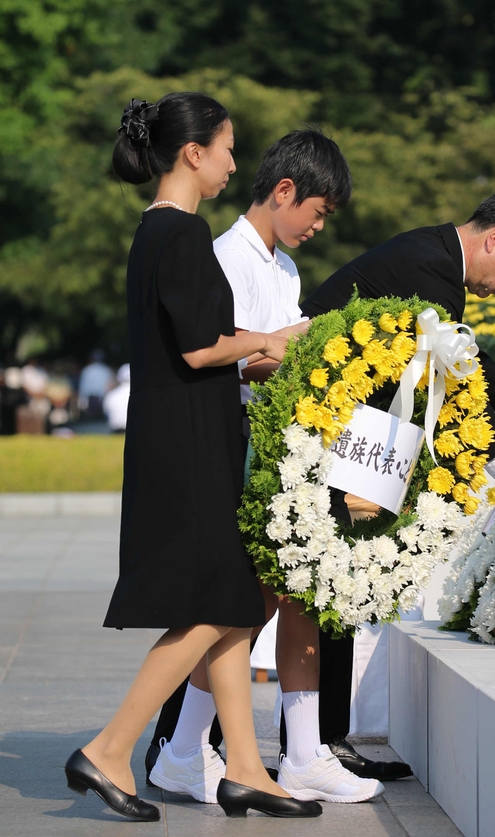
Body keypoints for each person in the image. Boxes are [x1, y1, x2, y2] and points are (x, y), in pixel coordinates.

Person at [63, 92, 322, 821]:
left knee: (234, 603)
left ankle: (244, 767)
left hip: (183, 433)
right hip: (189, 442)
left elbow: (197, 334)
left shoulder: (160, 233)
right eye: (229, 147)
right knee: (214, 607)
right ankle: (111, 748)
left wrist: (255, 339)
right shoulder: (181, 232)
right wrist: (274, 340)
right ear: (193, 152)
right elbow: (200, 347)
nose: (236, 162)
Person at [300, 182, 495, 758]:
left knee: (328, 593)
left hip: (345, 435)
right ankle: (224, 745)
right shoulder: (431, 271)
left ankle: (319, 744)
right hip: (315, 434)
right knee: (299, 596)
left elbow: (465, 368)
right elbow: (459, 392)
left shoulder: (434, 259)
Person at [146, 129, 387, 804]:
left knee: (292, 594)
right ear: (284, 191)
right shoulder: (228, 258)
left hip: (282, 450)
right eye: (317, 210)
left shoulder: (282, 267)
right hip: (241, 448)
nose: (317, 226)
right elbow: (233, 355)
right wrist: (312, 353)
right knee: (244, 604)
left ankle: (294, 752)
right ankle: (187, 749)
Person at [78, 349, 114, 419]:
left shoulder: (87, 370)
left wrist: (82, 399)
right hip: (100, 397)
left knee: (92, 419)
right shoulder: (106, 370)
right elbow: (110, 385)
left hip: (94, 398)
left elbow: (83, 386)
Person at [102, 364, 130, 433]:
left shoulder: (112, 395)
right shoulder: (141, 395)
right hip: (135, 430)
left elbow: (106, 412)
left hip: (116, 430)